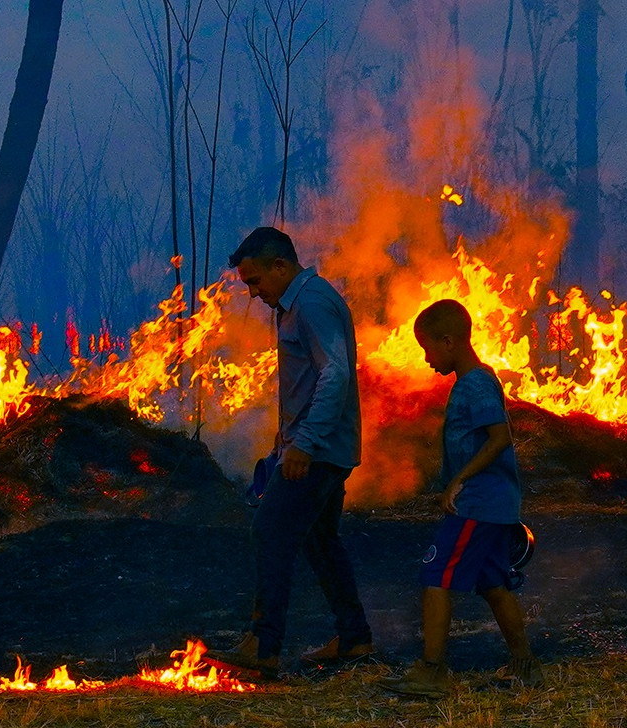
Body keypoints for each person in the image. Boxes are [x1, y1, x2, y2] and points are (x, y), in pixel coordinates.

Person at [205, 226, 374, 679]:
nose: (254, 292)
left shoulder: (313, 302)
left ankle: (264, 645)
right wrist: (287, 441)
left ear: (281, 265)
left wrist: (305, 443)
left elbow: (335, 375)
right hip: (314, 445)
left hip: (318, 450)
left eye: (256, 281)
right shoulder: (296, 305)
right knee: (320, 539)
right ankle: (354, 636)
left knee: (271, 530)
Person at [379, 299, 544, 697]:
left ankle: (432, 671)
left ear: (449, 341)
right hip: (492, 506)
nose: (425, 358)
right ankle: (526, 668)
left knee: (436, 574)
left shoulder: (477, 384)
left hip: (478, 504)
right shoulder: (471, 382)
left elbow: (499, 436)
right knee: (493, 584)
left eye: (427, 348)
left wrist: (458, 481)